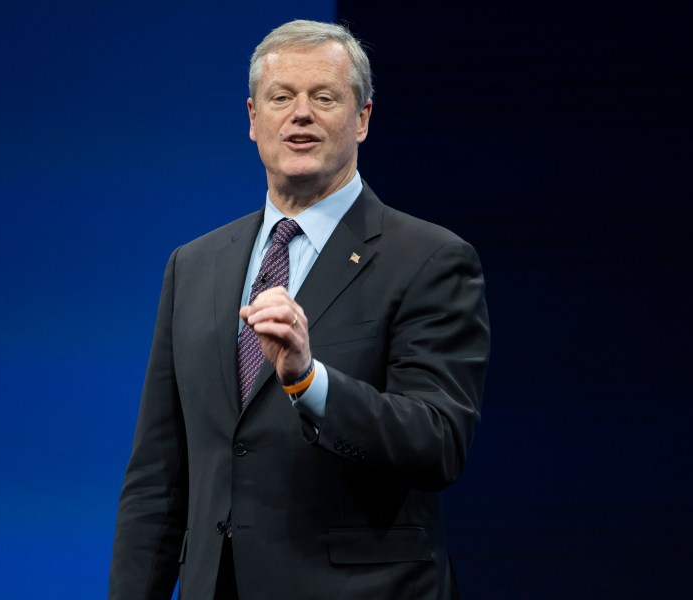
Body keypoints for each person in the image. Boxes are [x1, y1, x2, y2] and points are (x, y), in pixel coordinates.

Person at [109, 19, 490, 600]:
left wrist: (311, 382)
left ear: (362, 118)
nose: (301, 113)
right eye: (281, 97)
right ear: (253, 119)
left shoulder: (430, 258)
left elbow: (437, 443)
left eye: (325, 97)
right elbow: (158, 478)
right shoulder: (194, 264)